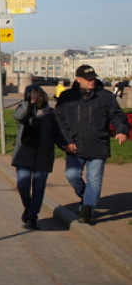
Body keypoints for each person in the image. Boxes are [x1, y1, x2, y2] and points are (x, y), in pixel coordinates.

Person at [54, 65, 129, 224]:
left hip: (98, 145)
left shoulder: (106, 97)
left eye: (93, 78)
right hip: (75, 146)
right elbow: (58, 121)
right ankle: (86, 195)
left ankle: (87, 209)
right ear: (78, 79)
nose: (92, 81)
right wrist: (66, 142)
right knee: (72, 175)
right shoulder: (67, 97)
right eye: (88, 79)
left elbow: (117, 115)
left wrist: (121, 130)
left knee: (94, 179)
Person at [11, 85, 59, 230]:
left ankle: (33, 216)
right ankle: (29, 207)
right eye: (32, 94)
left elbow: (59, 133)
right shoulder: (24, 110)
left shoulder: (51, 114)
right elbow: (18, 116)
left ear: (43, 95)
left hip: (43, 155)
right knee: (23, 185)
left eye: (38, 94)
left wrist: (69, 146)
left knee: (38, 187)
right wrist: (29, 103)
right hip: (24, 154)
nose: (36, 97)